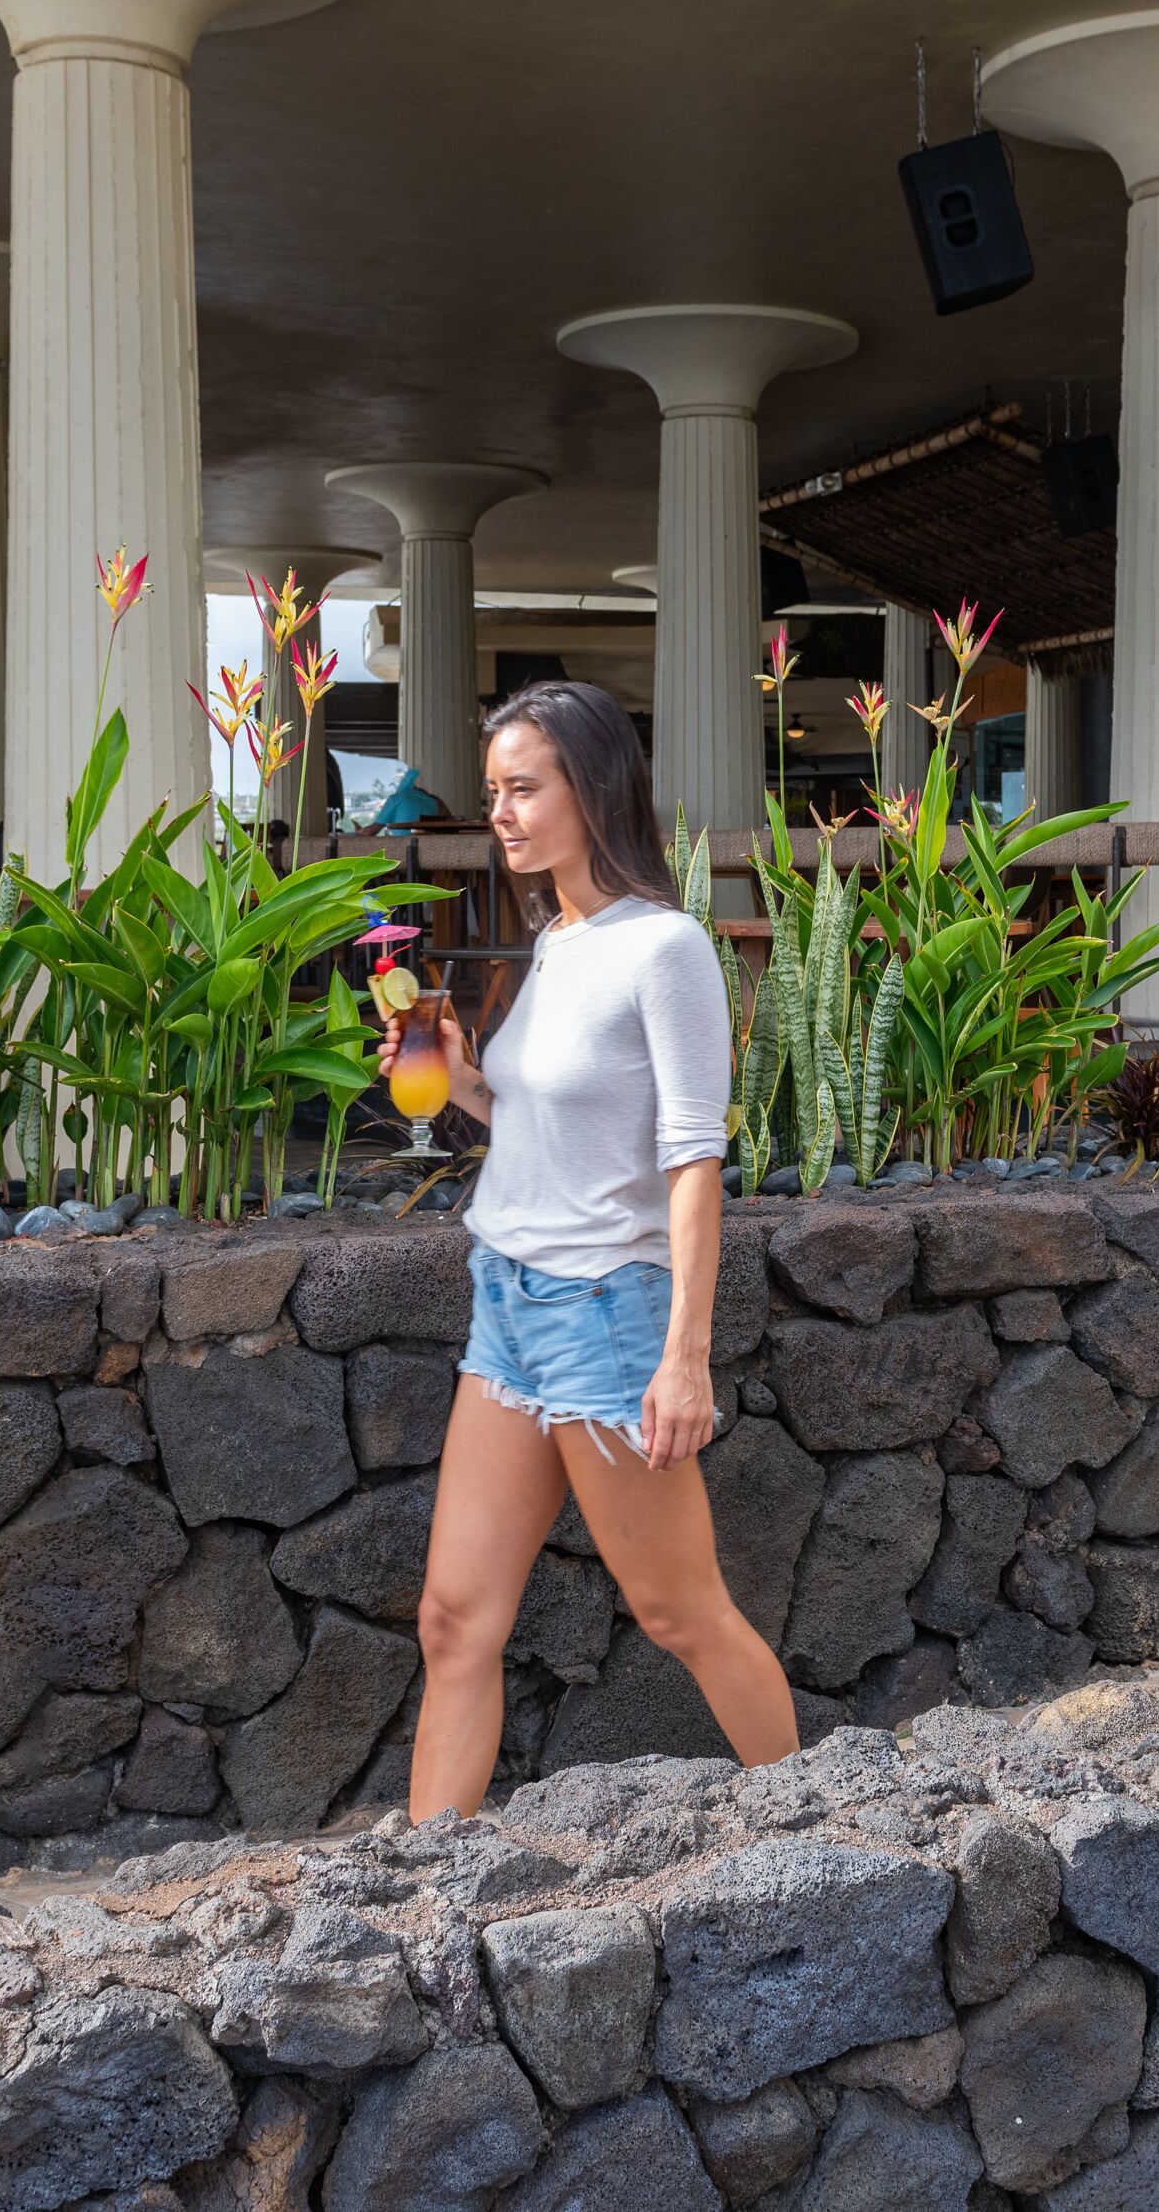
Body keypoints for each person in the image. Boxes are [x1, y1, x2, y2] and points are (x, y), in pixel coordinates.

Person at [386, 679, 796, 1820]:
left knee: (680, 1612)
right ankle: (431, 1889)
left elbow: (691, 1162)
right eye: (494, 793)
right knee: (453, 1618)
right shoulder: (554, 941)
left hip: (604, 1311)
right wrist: (461, 1080)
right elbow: (541, 1126)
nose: (501, 814)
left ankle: (826, 1820)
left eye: (523, 788)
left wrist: (684, 1355)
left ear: (593, 786)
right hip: (505, 1304)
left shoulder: (660, 948)